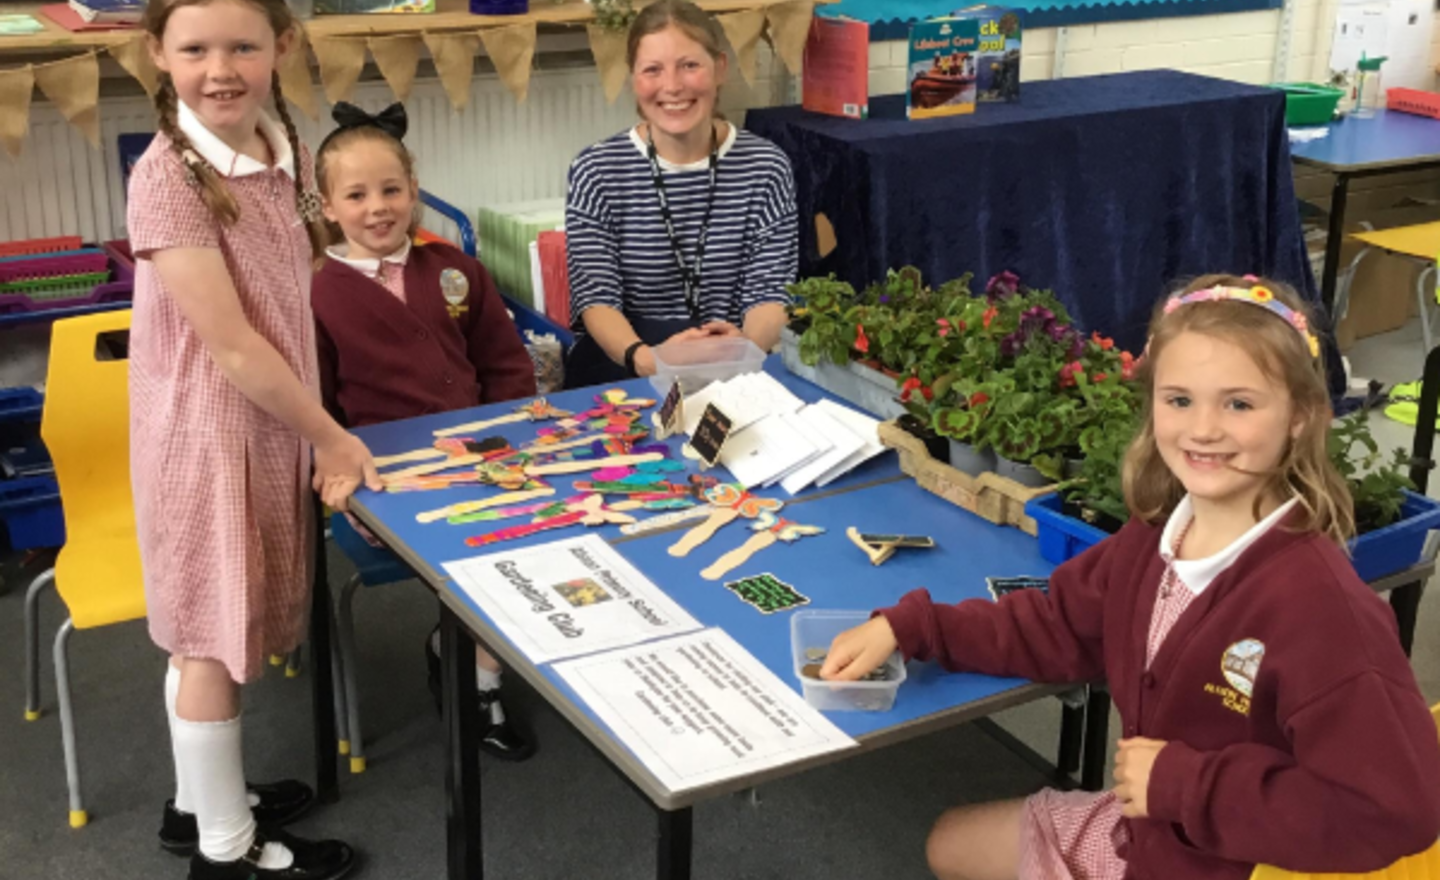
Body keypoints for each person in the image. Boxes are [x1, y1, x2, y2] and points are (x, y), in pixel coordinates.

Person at [821, 275, 1440, 880]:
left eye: (1240, 403)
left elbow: (1395, 812)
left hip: (1237, 857)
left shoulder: (1322, 613)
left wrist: (1184, 785)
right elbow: (1057, 625)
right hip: (1150, 832)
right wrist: (914, 628)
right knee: (950, 843)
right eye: (1179, 400)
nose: (1202, 429)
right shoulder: (1156, 535)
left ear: (1302, 417)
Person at [129, 1, 382, 878]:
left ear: (281, 48)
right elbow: (232, 344)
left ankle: (201, 802)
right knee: (210, 634)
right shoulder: (166, 177)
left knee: (209, 625)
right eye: (195, 49)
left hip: (268, 417)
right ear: (157, 54)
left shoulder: (286, 142)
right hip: (209, 431)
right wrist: (332, 437)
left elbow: (305, 257)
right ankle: (225, 853)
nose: (221, 68)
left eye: (243, 45)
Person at [311, 100, 537, 760]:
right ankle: (474, 664)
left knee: (529, 526)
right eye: (356, 194)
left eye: (391, 189)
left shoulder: (456, 272)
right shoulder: (317, 292)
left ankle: (475, 666)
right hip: (381, 474)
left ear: (414, 190)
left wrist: (515, 438)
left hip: (484, 452)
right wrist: (331, 468)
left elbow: (504, 365)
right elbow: (315, 404)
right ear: (327, 206)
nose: (377, 207)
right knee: (474, 545)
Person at [562, 0, 798, 387]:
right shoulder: (597, 170)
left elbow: (771, 290)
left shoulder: (766, 166)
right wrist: (649, 359)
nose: (672, 86)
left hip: (733, 360)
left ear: (720, 68)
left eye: (690, 65)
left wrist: (745, 351)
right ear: (633, 79)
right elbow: (595, 298)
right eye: (652, 69)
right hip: (628, 364)